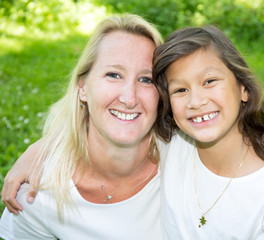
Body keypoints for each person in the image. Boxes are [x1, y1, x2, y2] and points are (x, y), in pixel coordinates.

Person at [0, 13, 168, 239]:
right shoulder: (37, 191)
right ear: (83, 87)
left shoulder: (186, 161)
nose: (130, 98)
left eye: (146, 79)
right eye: (113, 74)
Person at [152, 26, 264, 239]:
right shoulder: (169, 145)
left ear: (243, 88)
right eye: (180, 90)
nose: (196, 102)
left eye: (209, 81)